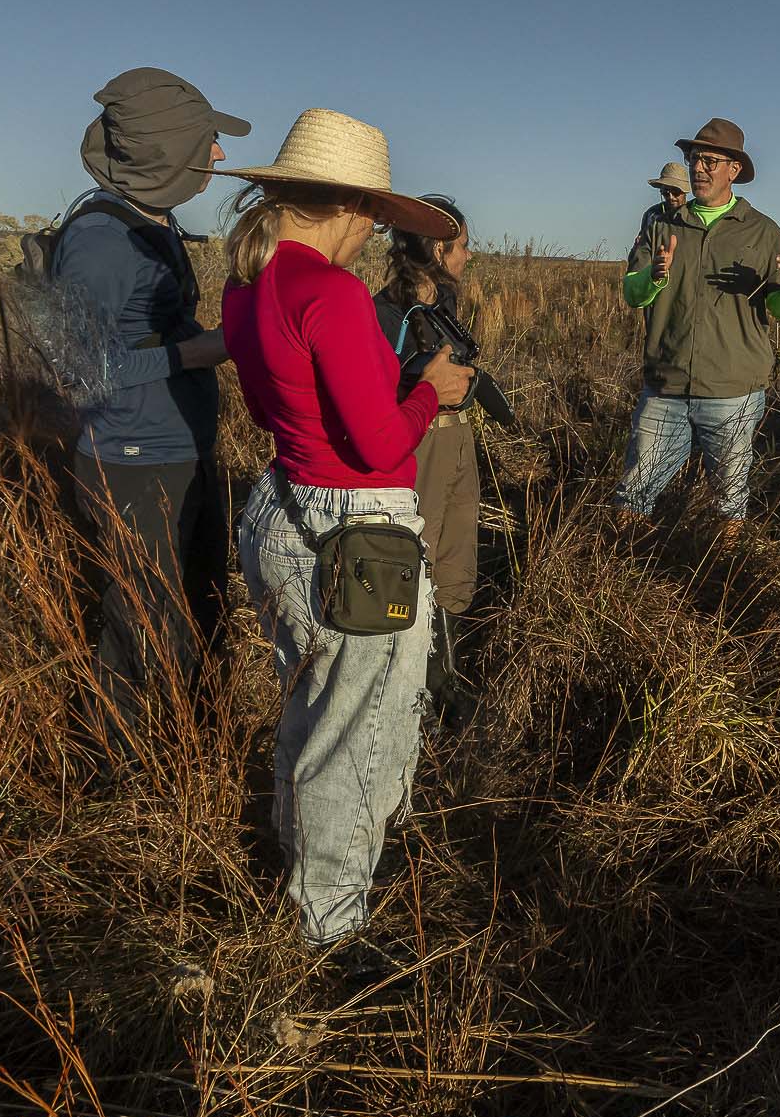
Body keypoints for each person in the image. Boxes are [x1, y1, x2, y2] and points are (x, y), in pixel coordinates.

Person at [215, 108, 472, 956]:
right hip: (360, 534)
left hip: (284, 509)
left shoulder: (248, 286)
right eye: (375, 217)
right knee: (358, 731)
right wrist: (432, 390)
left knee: (312, 708)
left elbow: (268, 411)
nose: (373, 235)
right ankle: (331, 930)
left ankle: (303, 867)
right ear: (356, 207)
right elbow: (382, 442)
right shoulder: (333, 292)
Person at [54, 67, 246, 764]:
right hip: (134, 461)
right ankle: (123, 771)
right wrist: (193, 353)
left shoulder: (151, 221)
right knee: (144, 625)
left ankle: (190, 752)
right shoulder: (100, 241)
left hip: (177, 452)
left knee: (195, 605)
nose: (218, 155)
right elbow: (75, 370)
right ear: (166, 152)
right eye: (205, 141)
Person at [611, 119, 780, 533]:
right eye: (694, 159)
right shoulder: (662, 225)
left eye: (709, 161)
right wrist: (655, 276)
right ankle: (622, 566)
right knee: (632, 497)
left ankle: (725, 569)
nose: (698, 168)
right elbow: (632, 294)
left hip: (733, 391)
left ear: (734, 169)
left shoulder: (763, 231)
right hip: (666, 386)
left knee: (729, 505)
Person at [374, 195, 480, 718]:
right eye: (462, 246)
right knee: (421, 558)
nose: (468, 255)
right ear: (437, 249)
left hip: (458, 436)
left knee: (457, 558)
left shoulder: (445, 302)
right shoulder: (386, 311)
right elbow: (374, 394)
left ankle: (447, 678)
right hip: (422, 442)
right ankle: (420, 691)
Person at [640, 161, 690, 240]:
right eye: (666, 193)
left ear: (684, 192)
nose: (671, 197)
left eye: (675, 192)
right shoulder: (651, 214)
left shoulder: (694, 214)